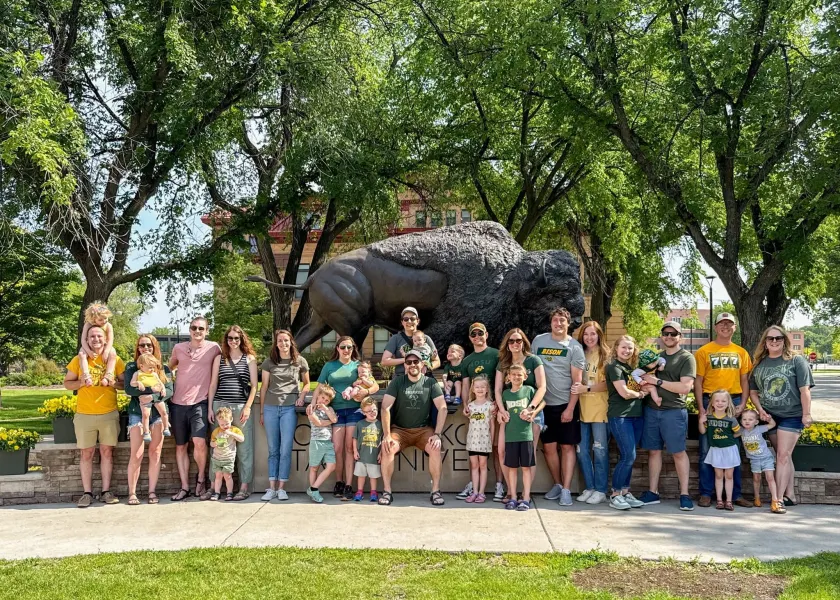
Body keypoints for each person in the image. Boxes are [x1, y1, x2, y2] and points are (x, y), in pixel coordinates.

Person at [749, 325, 814, 507]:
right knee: (783, 456)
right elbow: (754, 392)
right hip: (770, 417)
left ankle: (777, 499)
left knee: (783, 456)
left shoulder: (796, 360)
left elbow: (804, 390)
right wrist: (760, 409)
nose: (775, 341)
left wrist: (806, 414)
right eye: (771, 338)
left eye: (779, 338)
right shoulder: (760, 363)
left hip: (792, 415)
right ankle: (790, 495)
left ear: (785, 340)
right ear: (765, 342)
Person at [693, 313, 753, 508]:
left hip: (733, 399)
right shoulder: (704, 351)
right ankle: (706, 493)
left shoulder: (741, 352)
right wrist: (701, 407)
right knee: (706, 448)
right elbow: (698, 381)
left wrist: (743, 403)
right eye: (722, 324)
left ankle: (734, 495)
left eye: (729, 324)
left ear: (734, 328)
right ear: (715, 327)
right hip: (710, 400)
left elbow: (745, 380)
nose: (725, 327)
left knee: (733, 450)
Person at [637, 321, 697, 512]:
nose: (669, 337)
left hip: (674, 411)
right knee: (653, 451)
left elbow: (685, 388)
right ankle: (653, 492)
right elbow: (641, 378)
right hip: (651, 410)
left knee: (678, 452)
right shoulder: (656, 357)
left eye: (673, 334)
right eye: (666, 333)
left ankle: (685, 494)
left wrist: (657, 381)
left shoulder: (687, 358)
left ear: (681, 336)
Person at [63, 325, 126, 508]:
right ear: (87, 339)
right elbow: (67, 383)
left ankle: (106, 491)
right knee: (86, 453)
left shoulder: (114, 359)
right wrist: (81, 382)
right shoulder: (79, 359)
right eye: (92, 336)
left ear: (105, 339)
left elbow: (124, 385)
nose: (96, 339)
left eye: (99, 336)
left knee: (107, 452)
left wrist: (113, 383)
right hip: (84, 414)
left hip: (109, 413)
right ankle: (87, 493)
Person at [379, 349, 448, 506]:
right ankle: (387, 491)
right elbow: (385, 408)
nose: (412, 365)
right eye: (409, 362)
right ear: (404, 365)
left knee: (435, 447)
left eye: (415, 362)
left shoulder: (430, 383)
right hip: (400, 430)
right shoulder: (397, 382)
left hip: (423, 430)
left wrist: (437, 434)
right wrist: (387, 435)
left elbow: (442, 408)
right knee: (387, 447)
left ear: (422, 364)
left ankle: (436, 491)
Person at [531, 308, 584, 507]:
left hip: (565, 404)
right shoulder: (539, 341)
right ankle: (559, 484)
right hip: (544, 405)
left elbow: (577, 382)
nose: (558, 324)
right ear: (550, 322)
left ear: (568, 323)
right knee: (549, 448)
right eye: (555, 320)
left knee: (567, 447)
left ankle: (568, 490)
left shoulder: (574, 347)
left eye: (562, 320)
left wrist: (570, 408)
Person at [316, 336, 379, 500]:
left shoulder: (358, 366)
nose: (346, 350)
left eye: (349, 347)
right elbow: (320, 387)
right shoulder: (329, 366)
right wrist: (313, 403)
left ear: (353, 349)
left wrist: (366, 392)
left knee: (350, 448)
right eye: (343, 347)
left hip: (354, 411)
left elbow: (375, 385)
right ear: (337, 348)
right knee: (337, 448)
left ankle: (349, 485)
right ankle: (339, 481)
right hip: (335, 412)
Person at [168, 316, 221, 501]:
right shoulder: (178, 348)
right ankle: (184, 487)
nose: (197, 331)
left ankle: (200, 479)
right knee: (181, 446)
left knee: (199, 442)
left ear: (207, 330)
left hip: (200, 402)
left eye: (201, 328)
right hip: (177, 403)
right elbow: (169, 369)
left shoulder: (214, 348)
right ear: (189, 330)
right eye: (194, 328)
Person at [205, 325, 258, 501]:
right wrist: (210, 407)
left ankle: (243, 487)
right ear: (226, 340)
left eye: (236, 338)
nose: (233, 341)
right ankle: (214, 487)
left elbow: (254, 386)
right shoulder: (219, 359)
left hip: (240, 407)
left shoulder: (249, 359)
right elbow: (213, 384)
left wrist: (248, 407)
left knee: (244, 448)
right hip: (220, 406)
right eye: (230, 338)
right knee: (218, 445)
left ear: (241, 339)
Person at [494, 328, 546, 498]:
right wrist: (501, 411)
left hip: (531, 414)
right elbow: (498, 390)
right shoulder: (503, 363)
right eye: (511, 341)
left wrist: (531, 409)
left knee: (529, 457)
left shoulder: (534, 360)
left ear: (524, 342)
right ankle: (511, 491)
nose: (515, 344)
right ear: (507, 345)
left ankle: (525, 494)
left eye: (518, 340)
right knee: (502, 451)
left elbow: (542, 387)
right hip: (508, 415)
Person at [260, 330, 310, 501]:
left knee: (285, 450)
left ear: (291, 342)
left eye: (286, 341)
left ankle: (282, 488)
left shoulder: (299, 361)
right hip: (270, 408)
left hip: (289, 408)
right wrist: (261, 411)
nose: (283, 344)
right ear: (276, 343)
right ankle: (271, 487)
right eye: (280, 341)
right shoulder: (269, 362)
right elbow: (264, 387)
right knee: (273, 450)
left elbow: (307, 384)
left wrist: (302, 397)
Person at [124, 335, 173, 505]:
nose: (145, 348)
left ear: (155, 347)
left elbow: (169, 390)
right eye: (142, 345)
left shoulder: (163, 368)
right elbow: (129, 389)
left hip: (158, 415)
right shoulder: (132, 367)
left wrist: (149, 395)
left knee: (155, 453)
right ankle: (132, 493)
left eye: (149, 345)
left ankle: (152, 492)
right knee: (137, 454)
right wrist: (154, 392)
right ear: (137, 348)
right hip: (138, 413)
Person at [461, 322, 504, 502]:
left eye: (480, 333)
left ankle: (499, 484)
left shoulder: (496, 354)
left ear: (486, 334)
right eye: (473, 334)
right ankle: (475, 487)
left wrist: (499, 406)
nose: (477, 337)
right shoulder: (467, 360)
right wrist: (466, 405)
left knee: (496, 448)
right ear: (470, 338)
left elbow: (502, 380)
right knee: (478, 453)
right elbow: (465, 386)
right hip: (476, 408)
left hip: (494, 407)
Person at [605, 335, 647, 511]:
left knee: (629, 456)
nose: (627, 351)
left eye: (630, 348)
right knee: (629, 455)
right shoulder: (613, 367)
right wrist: (640, 394)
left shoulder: (631, 368)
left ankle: (625, 492)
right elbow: (624, 392)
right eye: (623, 347)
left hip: (636, 415)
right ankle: (615, 495)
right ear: (616, 348)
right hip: (620, 416)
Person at [570, 321, 610, 505]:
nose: (589, 338)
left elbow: (608, 383)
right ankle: (590, 487)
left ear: (599, 335)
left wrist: (586, 388)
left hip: (600, 410)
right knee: (581, 451)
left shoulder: (606, 355)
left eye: (593, 334)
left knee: (600, 451)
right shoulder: (579, 354)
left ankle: (601, 489)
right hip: (581, 410)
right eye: (586, 334)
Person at [499, 364, 542, 511]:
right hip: (511, 436)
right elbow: (501, 411)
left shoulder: (529, 390)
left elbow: (543, 402)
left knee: (526, 468)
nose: (516, 377)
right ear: (509, 377)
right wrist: (500, 414)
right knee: (511, 468)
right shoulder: (505, 394)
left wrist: (532, 412)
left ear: (525, 376)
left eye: (519, 375)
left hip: (526, 436)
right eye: (513, 374)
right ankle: (512, 497)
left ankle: (526, 498)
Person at [699, 390, 743, 511]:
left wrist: (729, 439)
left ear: (728, 403)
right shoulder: (709, 418)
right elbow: (703, 431)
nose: (720, 403)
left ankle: (728, 501)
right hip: (716, 450)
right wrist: (700, 421)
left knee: (729, 476)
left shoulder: (731, 419)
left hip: (729, 450)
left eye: (723, 401)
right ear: (712, 403)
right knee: (718, 475)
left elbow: (738, 432)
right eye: (717, 401)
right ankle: (719, 500)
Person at [740, 410, 785, 513]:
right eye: (744, 419)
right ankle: (757, 498)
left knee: (770, 478)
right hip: (754, 459)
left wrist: (769, 418)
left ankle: (775, 500)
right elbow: (732, 434)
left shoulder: (759, 429)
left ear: (756, 422)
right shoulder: (741, 431)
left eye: (750, 419)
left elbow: (772, 424)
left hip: (766, 457)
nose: (747, 421)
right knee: (756, 478)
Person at [380, 306, 441, 378]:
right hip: (402, 377)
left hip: (423, 377)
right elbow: (384, 361)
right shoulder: (395, 338)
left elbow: (437, 361)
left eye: (412, 319)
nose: (409, 321)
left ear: (417, 321)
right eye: (406, 319)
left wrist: (427, 367)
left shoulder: (426, 338)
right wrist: (406, 360)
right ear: (402, 322)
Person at [462, 375, 494, 503]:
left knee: (483, 465)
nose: (480, 389)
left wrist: (492, 438)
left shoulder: (490, 406)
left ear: (487, 389)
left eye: (482, 387)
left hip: (484, 439)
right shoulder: (470, 406)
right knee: (474, 466)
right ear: (473, 389)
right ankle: (474, 491)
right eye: (477, 387)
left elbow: (492, 425)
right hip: (473, 440)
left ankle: (482, 492)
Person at [307, 384, 338, 503]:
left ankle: (313, 488)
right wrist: (329, 421)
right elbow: (318, 423)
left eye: (327, 400)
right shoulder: (312, 409)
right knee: (314, 468)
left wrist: (327, 411)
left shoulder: (329, 409)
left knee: (331, 466)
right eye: (322, 398)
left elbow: (334, 420)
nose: (324, 401)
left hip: (328, 442)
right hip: (316, 441)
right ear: (318, 396)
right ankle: (314, 492)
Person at [129, 353, 171, 442]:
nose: (152, 369)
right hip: (144, 397)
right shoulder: (138, 373)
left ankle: (166, 427)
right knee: (145, 415)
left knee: (163, 411)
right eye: (150, 367)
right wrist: (138, 383)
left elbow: (160, 383)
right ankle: (146, 432)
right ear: (141, 366)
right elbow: (131, 383)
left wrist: (163, 389)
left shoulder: (154, 374)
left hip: (157, 397)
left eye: (153, 367)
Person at [209, 406, 246, 501]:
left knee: (227, 476)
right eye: (222, 424)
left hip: (228, 458)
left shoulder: (234, 430)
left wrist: (231, 434)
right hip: (217, 458)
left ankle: (229, 493)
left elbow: (242, 439)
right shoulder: (216, 431)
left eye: (227, 423)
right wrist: (215, 443)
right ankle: (217, 493)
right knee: (218, 476)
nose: (225, 426)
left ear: (231, 420)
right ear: (218, 423)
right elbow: (211, 443)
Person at [78, 302, 118, 388]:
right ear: (93, 319)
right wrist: (88, 351)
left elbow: (110, 339)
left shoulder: (108, 326)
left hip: (105, 345)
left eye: (105, 318)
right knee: (81, 354)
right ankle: (86, 376)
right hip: (88, 346)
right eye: (100, 320)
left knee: (113, 353)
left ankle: (108, 376)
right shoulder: (88, 325)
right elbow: (83, 340)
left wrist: (106, 351)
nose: (104, 321)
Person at [352, 398, 383, 502]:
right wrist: (355, 451)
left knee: (373, 476)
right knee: (361, 475)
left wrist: (381, 453)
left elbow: (383, 440)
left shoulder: (380, 424)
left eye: (374, 410)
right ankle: (359, 491)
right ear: (363, 412)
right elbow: (355, 438)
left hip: (374, 456)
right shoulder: (360, 424)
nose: (372, 413)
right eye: (369, 411)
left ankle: (373, 492)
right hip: (361, 456)